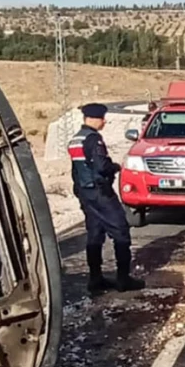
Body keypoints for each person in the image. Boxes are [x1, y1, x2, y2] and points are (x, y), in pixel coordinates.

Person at [69, 103, 146, 294]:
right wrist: (115, 167)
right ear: (93, 119)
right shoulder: (93, 140)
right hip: (101, 193)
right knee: (120, 231)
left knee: (94, 234)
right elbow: (101, 166)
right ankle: (123, 279)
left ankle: (95, 279)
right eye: (102, 118)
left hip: (85, 194)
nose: (104, 121)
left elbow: (76, 170)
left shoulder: (75, 139)